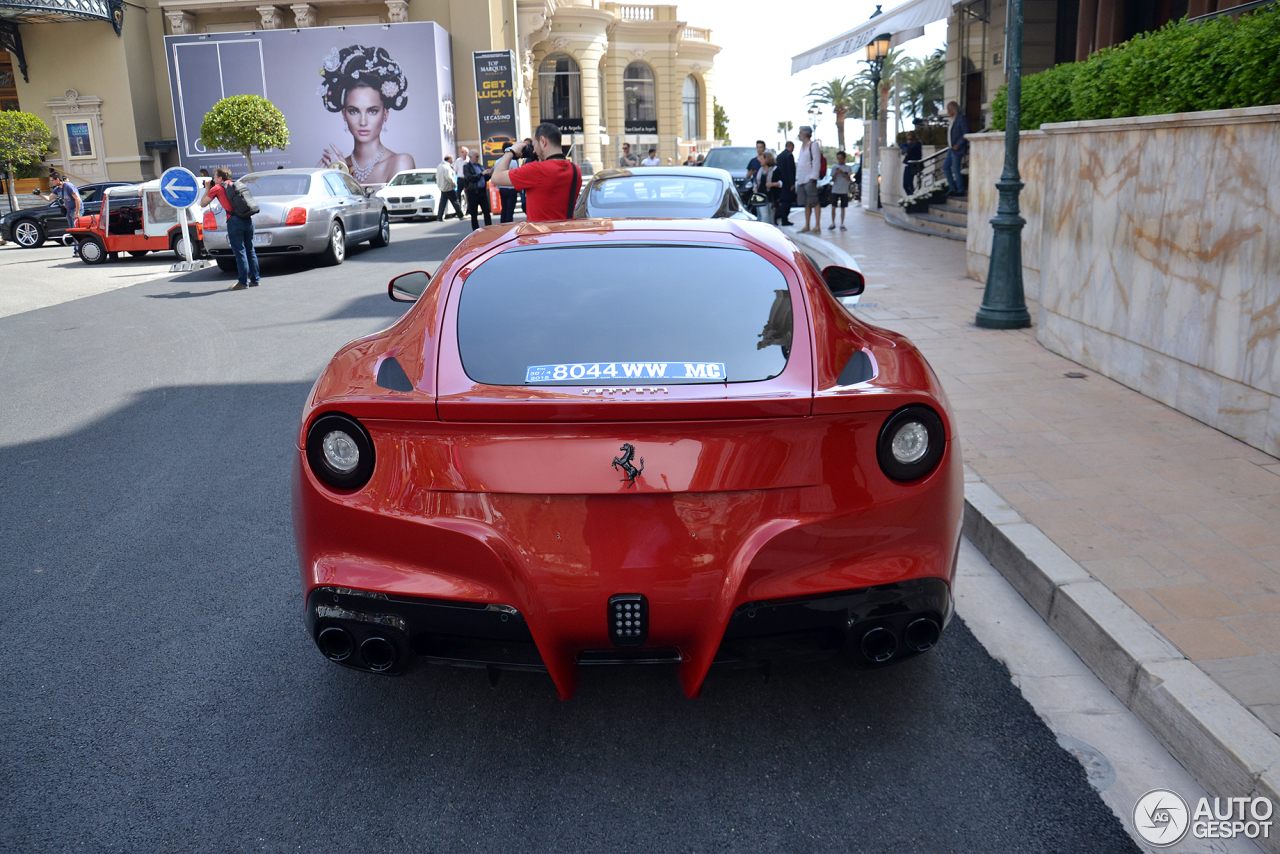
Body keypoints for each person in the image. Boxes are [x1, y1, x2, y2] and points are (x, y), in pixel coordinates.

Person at [316, 44, 415, 185]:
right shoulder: (337, 166)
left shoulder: (400, 162)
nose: (363, 121)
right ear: (344, 114)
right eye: (354, 111)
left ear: (385, 114)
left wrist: (344, 180)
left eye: (372, 111)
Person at [490, 122, 581, 223]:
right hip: (564, 235)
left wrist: (511, 151)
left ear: (543, 141)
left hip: (540, 235)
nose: (533, 151)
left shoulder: (536, 170)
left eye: (534, 145)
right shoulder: (575, 170)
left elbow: (496, 177)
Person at [199, 166, 259, 291]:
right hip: (248, 218)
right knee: (250, 250)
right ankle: (255, 279)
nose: (213, 179)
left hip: (234, 221)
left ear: (220, 178)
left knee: (240, 251)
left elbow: (203, 203)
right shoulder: (238, 184)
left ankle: (243, 282)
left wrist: (207, 188)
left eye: (215, 177)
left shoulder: (217, 188)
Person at [37, 173, 82, 253]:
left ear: (57, 179)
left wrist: (77, 212)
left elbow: (77, 199)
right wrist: (39, 195)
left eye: (52, 180)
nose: (51, 182)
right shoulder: (57, 189)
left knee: (76, 231)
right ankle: (77, 250)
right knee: (72, 231)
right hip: (68, 210)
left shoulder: (68, 186)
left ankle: (80, 250)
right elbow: (49, 198)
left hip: (75, 209)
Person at [794, 126, 822, 233]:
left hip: (810, 177)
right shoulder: (802, 147)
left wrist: (813, 177)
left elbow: (816, 161)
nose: (799, 135)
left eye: (800, 132)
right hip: (801, 178)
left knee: (814, 201)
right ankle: (807, 225)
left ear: (805, 134)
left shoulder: (813, 145)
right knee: (806, 203)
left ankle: (817, 225)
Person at [461, 149, 492, 229]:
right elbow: (469, 178)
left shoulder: (480, 166)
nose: (477, 158)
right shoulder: (466, 166)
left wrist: (489, 174)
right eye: (476, 156)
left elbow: (484, 177)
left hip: (482, 192)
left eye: (478, 156)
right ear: (471, 157)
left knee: (486, 211)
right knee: (474, 213)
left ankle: (489, 229)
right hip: (473, 192)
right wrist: (481, 174)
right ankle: (475, 230)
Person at [945, 101, 969, 196]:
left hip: (957, 149)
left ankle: (960, 189)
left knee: (955, 169)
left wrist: (958, 144)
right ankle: (952, 187)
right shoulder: (952, 119)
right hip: (951, 148)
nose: (948, 112)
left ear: (953, 110)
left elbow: (966, 133)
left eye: (948, 110)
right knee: (945, 167)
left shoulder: (961, 118)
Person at [828, 150, 854, 231]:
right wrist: (836, 173)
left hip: (844, 190)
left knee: (843, 207)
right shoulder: (834, 168)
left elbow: (849, 179)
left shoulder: (848, 168)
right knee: (833, 207)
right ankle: (833, 223)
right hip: (835, 190)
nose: (840, 160)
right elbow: (832, 180)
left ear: (844, 159)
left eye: (841, 158)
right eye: (838, 158)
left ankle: (842, 223)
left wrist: (842, 173)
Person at [753, 151, 781, 225]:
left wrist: (772, 184)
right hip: (761, 197)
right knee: (764, 216)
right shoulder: (760, 170)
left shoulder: (775, 170)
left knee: (771, 218)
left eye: (762, 159)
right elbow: (756, 182)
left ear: (767, 160)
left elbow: (781, 183)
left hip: (771, 197)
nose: (760, 160)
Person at [435, 154, 463, 221]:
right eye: (452, 159)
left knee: (443, 202)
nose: (453, 160)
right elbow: (448, 177)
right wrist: (454, 183)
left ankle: (439, 216)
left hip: (442, 187)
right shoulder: (447, 167)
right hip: (448, 187)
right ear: (449, 159)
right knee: (455, 201)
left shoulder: (439, 166)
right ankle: (460, 215)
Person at [774, 140, 796, 226]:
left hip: (781, 182)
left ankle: (784, 219)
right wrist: (792, 183)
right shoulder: (789, 156)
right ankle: (778, 215)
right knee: (787, 202)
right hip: (787, 183)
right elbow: (790, 170)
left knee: (783, 201)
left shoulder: (779, 156)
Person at [900, 130, 923, 196]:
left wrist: (907, 152)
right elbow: (902, 146)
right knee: (905, 184)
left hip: (912, 164)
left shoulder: (917, 144)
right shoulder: (908, 144)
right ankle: (909, 195)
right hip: (908, 164)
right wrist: (905, 150)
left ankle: (911, 195)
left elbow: (915, 152)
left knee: (909, 182)